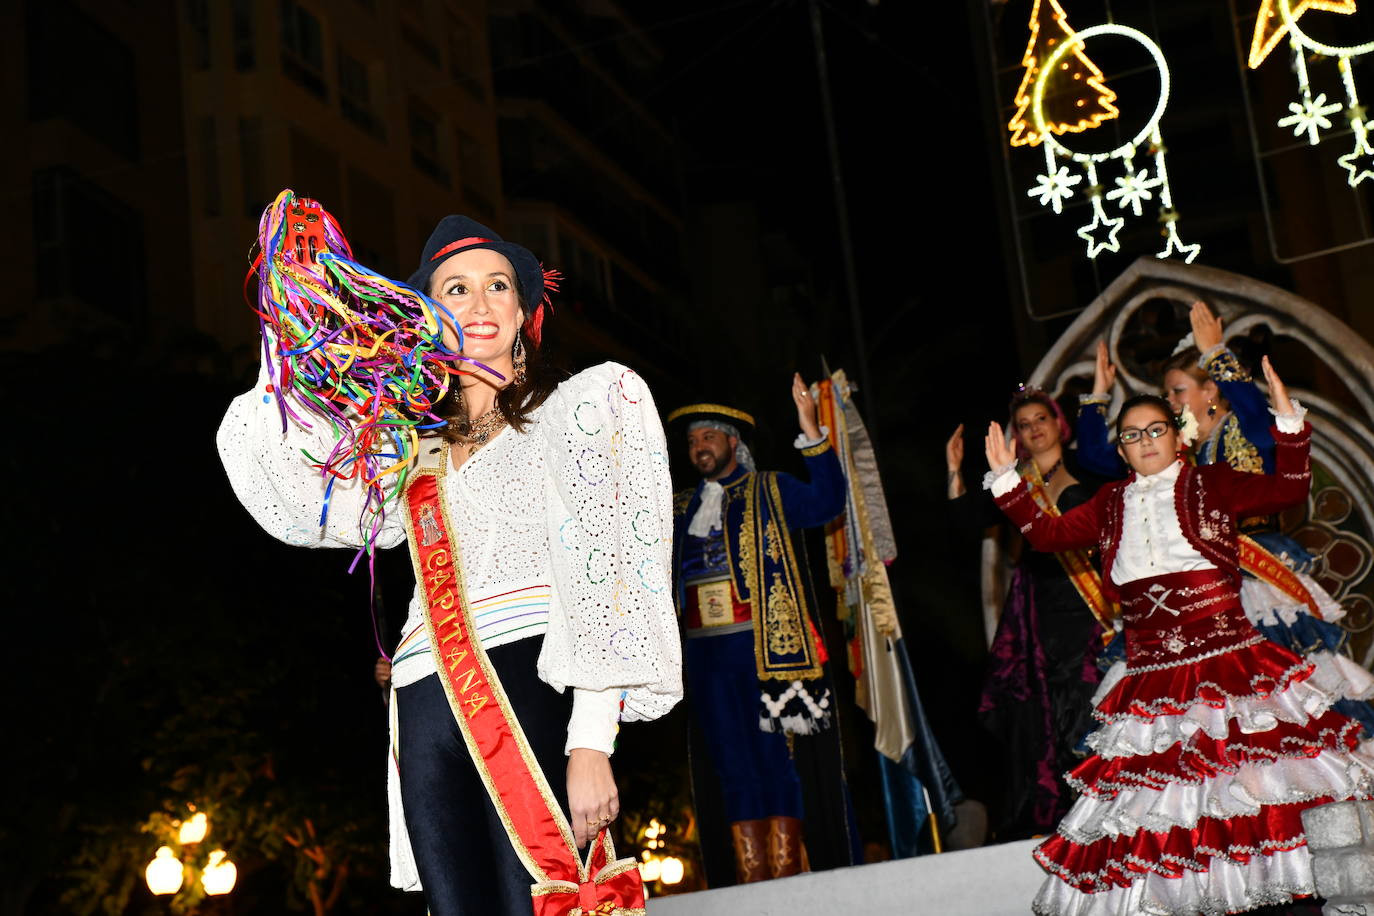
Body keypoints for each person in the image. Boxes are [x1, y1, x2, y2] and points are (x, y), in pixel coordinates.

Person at [218, 214, 680, 915]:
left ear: (524, 312)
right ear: (429, 319)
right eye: (456, 289)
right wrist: (294, 323)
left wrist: (591, 741)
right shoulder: (408, 452)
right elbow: (297, 480)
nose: (480, 302)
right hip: (425, 702)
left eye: (498, 286)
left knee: (552, 896)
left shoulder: (575, 413)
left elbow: (608, 572)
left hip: (531, 681)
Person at [984, 357, 1374, 915]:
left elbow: (1290, 488)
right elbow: (1046, 534)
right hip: (1152, 675)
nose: (1145, 442)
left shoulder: (1213, 483)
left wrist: (1288, 423)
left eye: (1156, 430)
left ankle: (1287, 900)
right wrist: (1007, 481)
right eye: (1132, 436)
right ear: (1120, 451)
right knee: (1171, 811)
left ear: (1177, 437)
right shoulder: (1108, 504)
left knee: (1251, 792)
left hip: (1229, 661)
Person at [1077, 301, 1374, 735]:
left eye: (1177, 391)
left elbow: (1259, 414)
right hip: (1205, 583)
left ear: (1210, 392)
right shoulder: (1175, 453)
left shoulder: (1244, 428)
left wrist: (1216, 353)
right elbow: (1094, 458)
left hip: (1256, 575)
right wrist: (1098, 395)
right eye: (1166, 394)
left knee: (1281, 699)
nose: (1169, 401)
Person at [667, 380, 850, 884]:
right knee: (729, 762)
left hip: (764, 647)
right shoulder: (677, 505)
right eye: (692, 440)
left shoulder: (770, 487)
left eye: (708, 436)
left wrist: (811, 430)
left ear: (732, 443)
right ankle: (753, 879)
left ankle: (789, 869)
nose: (699, 446)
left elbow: (829, 501)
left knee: (776, 759)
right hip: (703, 655)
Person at [947, 387, 1112, 839]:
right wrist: (954, 470)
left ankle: (1111, 809)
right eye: (1025, 424)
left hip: (1093, 605)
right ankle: (1070, 819)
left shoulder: (1088, 466)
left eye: (1042, 418)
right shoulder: (1012, 479)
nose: (1035, 428)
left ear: (1059, 423)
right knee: (1050, 716)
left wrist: (1099, 397)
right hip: (1042, 613)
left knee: (1094, 702)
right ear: (1016, 436)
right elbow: (967, 521)